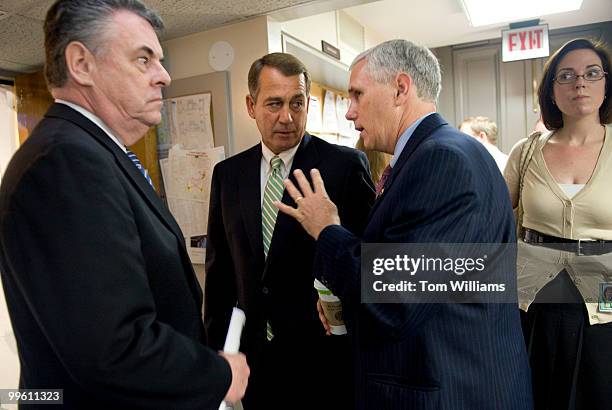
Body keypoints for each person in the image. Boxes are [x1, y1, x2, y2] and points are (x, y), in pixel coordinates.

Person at [0, 1, 249, 408]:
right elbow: (111, 346)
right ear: (82, 63)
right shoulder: (65, 163)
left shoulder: (98, 155)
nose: (164, 76)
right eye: (143, 59)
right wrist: (218, 373)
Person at [276, 39, 533, 410]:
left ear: (400, 88)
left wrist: (326, 228)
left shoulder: (442, 160)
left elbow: (398, 297)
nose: (349, 113)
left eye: (357, 95)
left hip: (447, 391)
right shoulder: (436, 154)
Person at [204, 52, 374, 409]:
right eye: (274, 104)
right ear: (251, 106)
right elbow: (220, 273)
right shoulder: (228, 175)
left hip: (322, 362)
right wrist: (219, 350)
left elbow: (367, 262)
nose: (287, 117)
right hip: (254, 362)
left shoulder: (343, 166)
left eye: (297, 103)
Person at [504, 38, 612, 409]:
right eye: (566, 76)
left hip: (604, 303)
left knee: (597, 390)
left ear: (605, 83)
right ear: (551, 89)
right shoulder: (527, 150)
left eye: (591, 73)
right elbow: (495, 221)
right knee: (535, 392)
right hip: (533, 301)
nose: (579, 83)